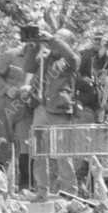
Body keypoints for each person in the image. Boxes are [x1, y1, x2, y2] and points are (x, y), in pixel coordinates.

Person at [24, 28, 81, 197]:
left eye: (60, 39)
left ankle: (70, 192)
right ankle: (42, 191)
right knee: (38, 152)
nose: (54, 41)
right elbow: (28, 66)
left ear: (68, 43)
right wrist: (34, 45)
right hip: (40, 108)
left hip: (59, 110)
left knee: (63, 154)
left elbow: (71, 57)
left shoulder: (72, 58)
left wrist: (52, 39)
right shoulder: (46, 58)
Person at [0, 45, 33, 175]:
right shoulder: (11, 54)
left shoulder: (43, 58)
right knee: (1, 145)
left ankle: (25, 186)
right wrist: (7, 88)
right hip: (3, 107)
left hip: (26, 108)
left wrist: (31, 89)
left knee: (26, 145)